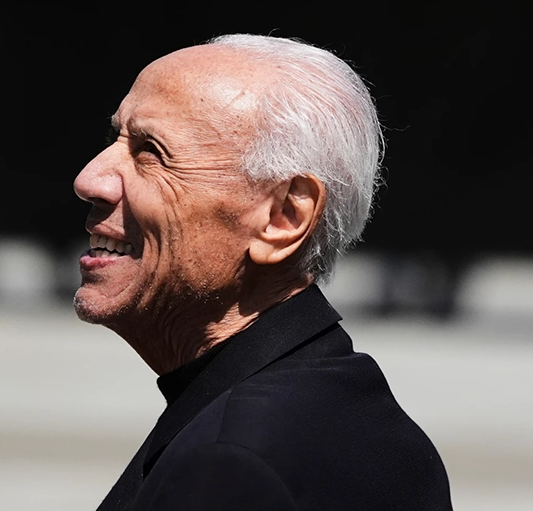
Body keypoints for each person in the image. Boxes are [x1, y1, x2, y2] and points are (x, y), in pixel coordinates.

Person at [72, 34, 453, 510]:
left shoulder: (230, 466)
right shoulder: (355, 415)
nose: (90, 180)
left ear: (283, 219)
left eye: (150, 151)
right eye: (116, 139)